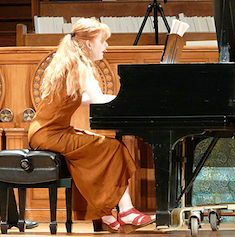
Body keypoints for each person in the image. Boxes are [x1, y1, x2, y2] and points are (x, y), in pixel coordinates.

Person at [28, 18, 155, 234]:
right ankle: (126, 211)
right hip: (50, 134)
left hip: (45, 132)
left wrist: (117, 98)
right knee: (112, 148)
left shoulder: (69, 63)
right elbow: (97, 99)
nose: (105, 46)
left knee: (104, 149)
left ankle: (107, 211)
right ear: (89, 44)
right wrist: (130, 101)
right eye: (102, 41)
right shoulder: (81, 67)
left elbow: (81, 98)